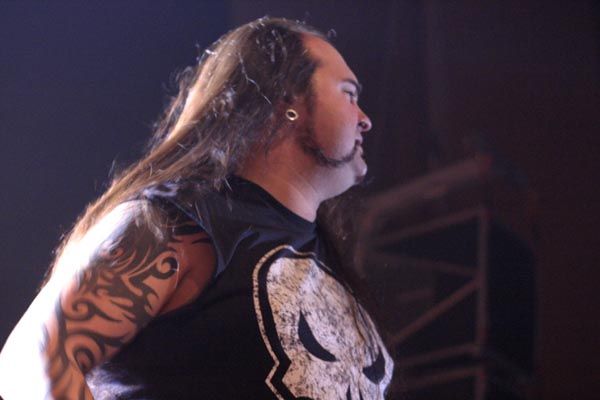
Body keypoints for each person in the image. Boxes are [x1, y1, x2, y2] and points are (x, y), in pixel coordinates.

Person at [0, 17, 394, 399]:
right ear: (287, 99)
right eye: (348, 94)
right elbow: (34, 360)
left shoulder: (327, 260)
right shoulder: (177, 223)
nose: (366, 120)